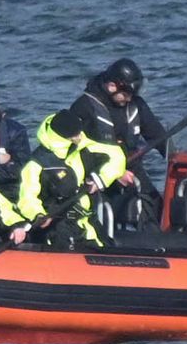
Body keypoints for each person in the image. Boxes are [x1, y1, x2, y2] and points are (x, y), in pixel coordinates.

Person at [35, 58, 170, 242]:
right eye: (126, 94)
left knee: (156, 204)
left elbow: (158, 136)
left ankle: (162, 244)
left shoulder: (136, 105)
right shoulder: (84, 106)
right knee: (101, 212)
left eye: (133, 94)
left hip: (133, 168)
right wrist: (114, 174)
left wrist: (176, 157)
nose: (129, 99)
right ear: (112, 86)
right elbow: (73, 150)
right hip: (95, 173)